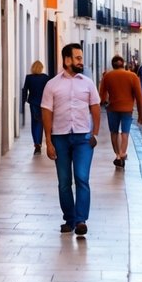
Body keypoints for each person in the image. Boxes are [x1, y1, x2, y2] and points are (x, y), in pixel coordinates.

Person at [40, 43, 101, 238]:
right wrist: (48, 141)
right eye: (77, 58)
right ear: (67, 60)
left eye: (81, 58)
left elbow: (96, 108)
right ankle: (69, 219)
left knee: (82, 178)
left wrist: (95, 133)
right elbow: (46, 113)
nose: (81, 61)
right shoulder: (52, 85)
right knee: (64, 182)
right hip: (60, 138)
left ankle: (81, 220)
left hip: (83, 138)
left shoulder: (88, 83)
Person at [98, 55, 142, 169]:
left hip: (113, 108)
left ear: (112, 64)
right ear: (123, 63)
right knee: (125, 132)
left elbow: (102, 94)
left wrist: (102, 103)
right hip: (127, 109)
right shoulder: (132, 76)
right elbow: (139, 97)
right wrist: (140, 114)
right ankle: (123, 152)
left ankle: (118, 155)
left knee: (114, 132)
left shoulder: (107, 76)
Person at [21, 61, 51, 155]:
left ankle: (37, 144)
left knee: (35, 123)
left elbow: (25, 89)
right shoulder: (45, 77)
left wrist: (24, 99)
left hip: (33, 103)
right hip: (44, 103)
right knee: (43, 122)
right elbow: (49, 90)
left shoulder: (29, 77)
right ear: (41, 68)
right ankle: (43, 143)